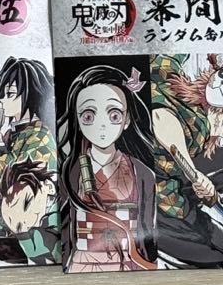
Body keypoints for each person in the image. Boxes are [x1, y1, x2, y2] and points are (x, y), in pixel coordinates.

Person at [150, 54, 223, 268]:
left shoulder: (169, 68)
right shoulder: (200, 125)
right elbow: (160, 118)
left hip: (172, 193)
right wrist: (194, 174)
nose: (219, 131)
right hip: (161, 206)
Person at [58, 64, 157, 272]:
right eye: (88, 116)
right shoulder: (70, 171)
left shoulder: (142, 173)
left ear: (127, 120)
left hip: (131, 264)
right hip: (81, 265)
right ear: (77, 120)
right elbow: (65, 230)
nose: (101, 125)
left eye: (114, 115)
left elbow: (148, 230)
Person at [0, 58, 58, 264]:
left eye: (10, 94)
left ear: (30, 96)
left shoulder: (40, 137)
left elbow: (13, 183)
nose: (2, 100)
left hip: (36, 231)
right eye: (3, 94)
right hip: (9, 222)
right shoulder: (15, 134)